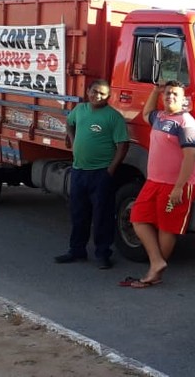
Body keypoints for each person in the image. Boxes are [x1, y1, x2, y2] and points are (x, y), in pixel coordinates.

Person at [122, 81, 195, 288]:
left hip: (176, 184)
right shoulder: (159, 117)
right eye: (167, 93)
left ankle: (155, 272)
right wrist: (154, 91)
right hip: (154, 181)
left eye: (175, 94)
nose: (170, 97)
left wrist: (178, 187)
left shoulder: (186, 123)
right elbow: (147, 112)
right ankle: (157, 262)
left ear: (183, 99)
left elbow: (190, 156)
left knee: (167, 228)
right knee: (138, 217)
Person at [55, 80, 129, 269]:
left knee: (102, 216)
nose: (98, 96)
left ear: (108, 97)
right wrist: (72, 140)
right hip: (79, 171)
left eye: (103, 94)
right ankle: (76, 250)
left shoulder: (113, 117)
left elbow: (123, 145)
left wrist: (110, 170)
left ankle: (103, 254)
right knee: (78, 213)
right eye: (95, 91)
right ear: (88, 91)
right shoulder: (79, 110)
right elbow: (69, 123)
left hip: (101, 174)